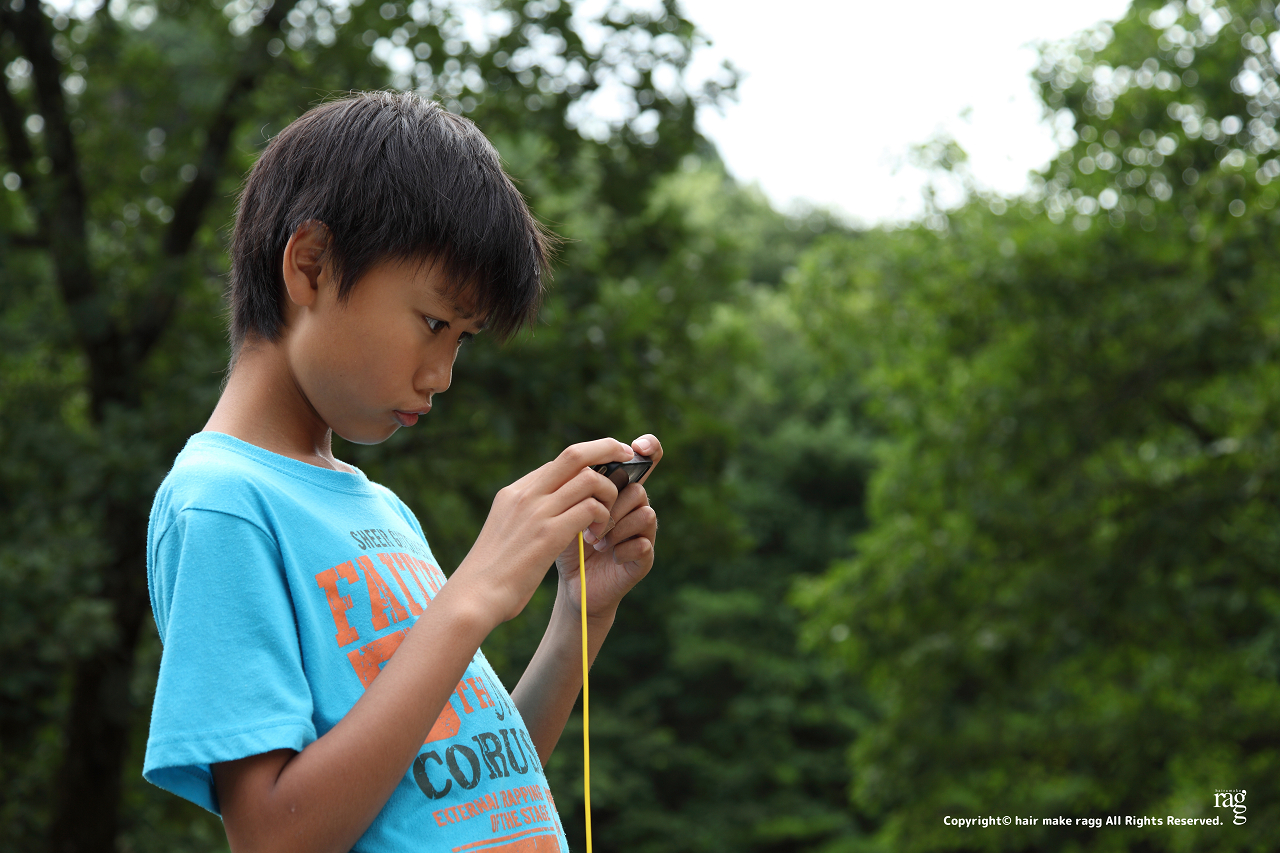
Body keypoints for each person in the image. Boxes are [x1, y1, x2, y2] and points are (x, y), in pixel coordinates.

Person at [143, 91, 661, 853]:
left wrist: (578, 618)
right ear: (311, 264)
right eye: (434, 323)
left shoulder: (381, 508)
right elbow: (272, 837)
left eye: (463, 339)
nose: (443, 373)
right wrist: (472, 595)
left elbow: (466, 786)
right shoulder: (222, 503)